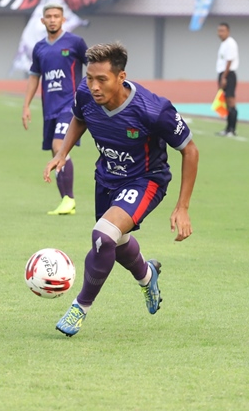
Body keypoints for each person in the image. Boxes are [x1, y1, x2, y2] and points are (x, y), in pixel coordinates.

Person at [44, 42, 198, 337]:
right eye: (90, 77)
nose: (94, 86)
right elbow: (79, 118)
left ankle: (80, 306)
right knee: (116, 240)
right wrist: (62, 153)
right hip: (107, 177)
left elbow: (190, 150)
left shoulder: (153, 110)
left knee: (103, 236)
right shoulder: (86, 94)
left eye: (102, 79)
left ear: (121, 76)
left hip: (146, 180)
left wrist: (183, 207)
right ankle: (146, 275)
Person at [22, 4, 88, 215]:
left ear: (63, 20)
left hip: (70, 106)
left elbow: (93, 65)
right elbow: (34, 77)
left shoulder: (75, 42)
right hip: (49, 108)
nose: (52, 20)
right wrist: (26, 106)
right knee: (55, 151)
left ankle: (69, 200)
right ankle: (66, 201)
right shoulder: (39, 47)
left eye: (56, 16)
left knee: (59, 145)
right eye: (48, 16)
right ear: (42, 21)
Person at [216, 22, 240, 137]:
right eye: (219, 31)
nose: (220, 33)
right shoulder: (223, 44)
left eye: (222, 31)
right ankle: (227, 128)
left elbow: (229, 61)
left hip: (228, 74)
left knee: (231, 101)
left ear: (228, 31)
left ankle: (232, 129)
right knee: (225, 101)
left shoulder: (231, 43)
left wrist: (224, 77)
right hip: (223, 74)